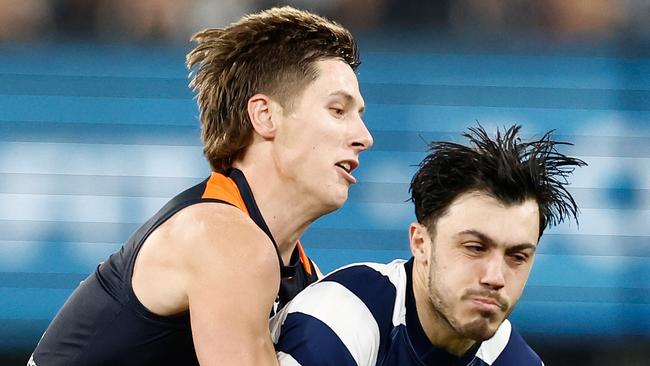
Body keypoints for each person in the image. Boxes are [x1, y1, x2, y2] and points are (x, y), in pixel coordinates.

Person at [29, 6, 372, 366]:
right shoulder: (223, 238)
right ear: (265, 116)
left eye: (359, 116)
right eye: (338, 110)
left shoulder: (298, 275)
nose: (364, 138)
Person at [270, 124, 586, 365]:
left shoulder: (513, 360)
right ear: (420, 242)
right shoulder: (341, 318)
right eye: (475, 247)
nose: (495, 277)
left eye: (517, 256)